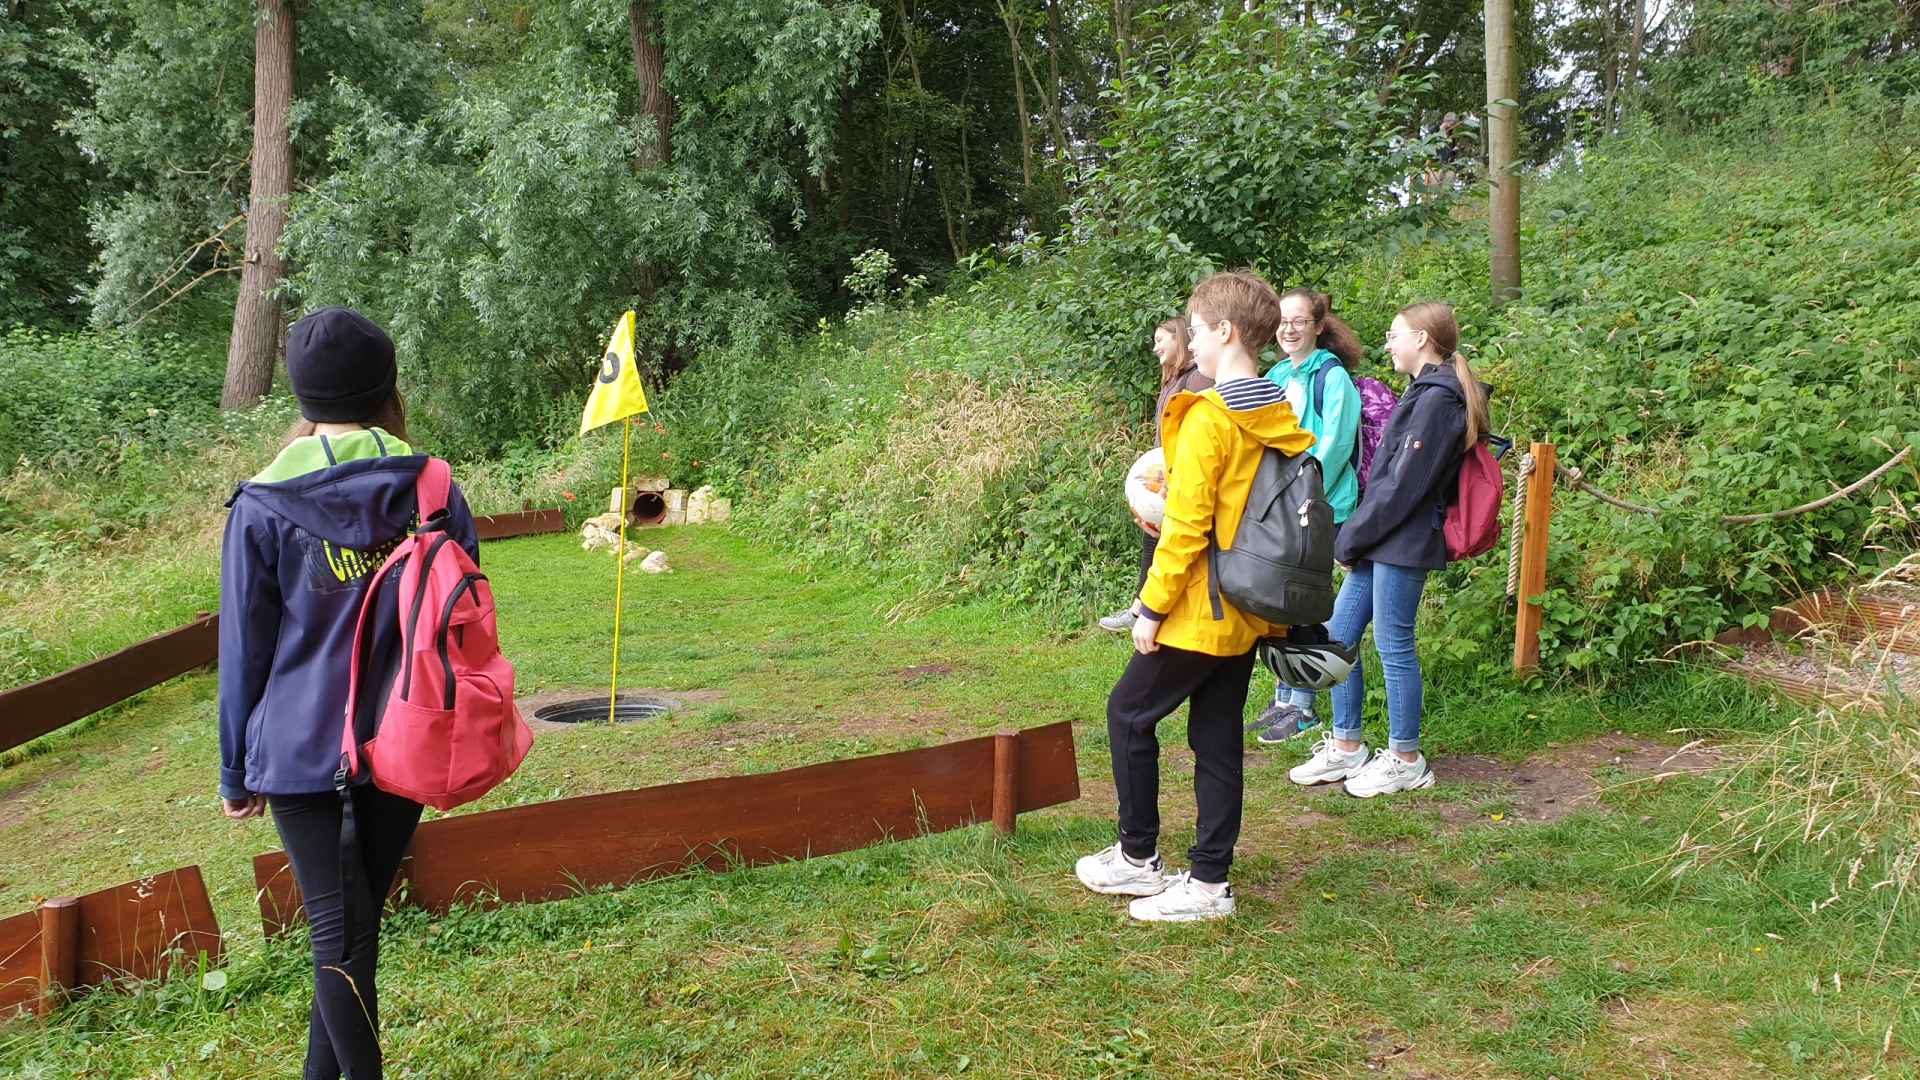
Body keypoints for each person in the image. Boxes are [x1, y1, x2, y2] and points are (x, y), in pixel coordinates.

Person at [218, 307, 479, 1079]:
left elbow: (244, 650)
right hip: (410, 738)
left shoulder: (262, 503)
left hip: (300, 754)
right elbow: (465, 617)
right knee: (349, 930)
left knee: (342, 931)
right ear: (387, 388)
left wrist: (236, 770)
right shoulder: (431, 486)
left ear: (302, 395)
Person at [1074, 270, 1313, 922]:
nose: (1193, 341)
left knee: (1128, 714)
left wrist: (1150, 607)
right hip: (1250, 602)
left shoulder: (1210, 414)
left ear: (1225, 331)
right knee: (1215, 738)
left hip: (1200, 605)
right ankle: (1209, 884)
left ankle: (1138, 857)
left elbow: (1188, 526)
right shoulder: (1273, 408)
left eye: (1198, 329)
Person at [1287, 301, 1489, 798]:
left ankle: (1405, 757)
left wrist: (1352, 537)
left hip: (1404, 539)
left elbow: (1403, 487)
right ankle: (1348, 745)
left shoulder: (1439, 401)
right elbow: (1388, 480)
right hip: (1383, 536)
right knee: (1338, 636)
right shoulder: (1423, 393)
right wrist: (1360, 535)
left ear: (1422, 339)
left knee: (1393, 645)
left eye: (1396, 334)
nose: (1388, 343)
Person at [1250, 288, 1364, 745]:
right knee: (1282, 599)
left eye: (1299, 321)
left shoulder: (1331, 377)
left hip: (1321, 506)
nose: (1289, 329)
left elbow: (1334, 444)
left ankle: (1303, 707)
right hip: (1282, 505)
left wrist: (1302, 490)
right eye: (1282, 321)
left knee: (1308, 603)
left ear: (1318, 326)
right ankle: (1284, 697)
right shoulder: (1277, 372)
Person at [1099, 318, 1213, 634]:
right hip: (1168, 476)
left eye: (1161, 339)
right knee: (1153, 538)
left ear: (1180, 338)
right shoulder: (1173, 380)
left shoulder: (1199, 380)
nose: (1155, 347)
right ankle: (1143, 606)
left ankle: (1150, 610)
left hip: (1186, 477)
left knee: (1170, 541)